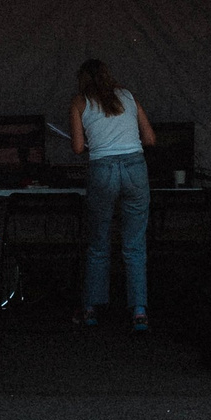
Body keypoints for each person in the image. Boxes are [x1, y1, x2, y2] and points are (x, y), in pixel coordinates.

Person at [71, 58, 157, 333]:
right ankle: (139, 311)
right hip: (135, 168)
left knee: (98, 242)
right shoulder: (128, 96)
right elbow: (150, 139)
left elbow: (77, 147)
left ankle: (91, 309)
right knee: (134, 244)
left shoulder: (79, 102)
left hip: (103, 169)